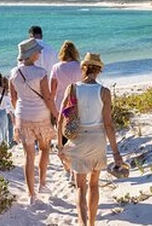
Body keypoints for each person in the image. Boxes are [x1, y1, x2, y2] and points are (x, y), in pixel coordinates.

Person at [57, 53, 125, 226]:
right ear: (99, 70)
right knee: (94, 185)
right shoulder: (104, 92)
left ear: (83, 68)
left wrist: (59, 146)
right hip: (97, 141)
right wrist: (116, 153)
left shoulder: (72, 88)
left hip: (78, 139)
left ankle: (82, 222)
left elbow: (60, 119)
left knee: (80, 186)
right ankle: (92, 223)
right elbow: (108, 125)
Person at [10, 37, 59, 201]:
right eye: (37, 51)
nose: (40, 52)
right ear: (32, 55)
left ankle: (31, 194)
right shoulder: (41, 73)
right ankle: (42, 183)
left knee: (28, 156)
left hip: (23, 116)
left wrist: (19, 113)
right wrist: (57, 114)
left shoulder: (13, 73)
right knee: (45, 149)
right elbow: (47, 98)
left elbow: (13, 99)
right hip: (41, 116)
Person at [50, 40, 84, 179]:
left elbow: (52, 91)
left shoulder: (56, 68)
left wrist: (51, 109)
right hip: (78, 104)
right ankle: (75, 166)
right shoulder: (80, 66)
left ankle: (66, 167)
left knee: (63, 137)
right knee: (77, 135)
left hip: (60, 104)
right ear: (74, 52)